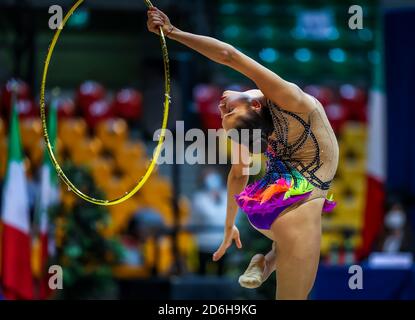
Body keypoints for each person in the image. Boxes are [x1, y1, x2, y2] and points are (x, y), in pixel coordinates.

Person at [147, 7, 339, 300]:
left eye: (225, 112)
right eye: (228, 112)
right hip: (296, 206)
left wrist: (230, 226)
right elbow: (229, 55)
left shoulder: (272, 109)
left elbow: (240, 173)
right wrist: (171, 32)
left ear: (256, 108)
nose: (221, 107)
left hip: (268, 207)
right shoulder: (286, 100)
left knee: (283, 246)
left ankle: (264, 262)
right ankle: (267, 260)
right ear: (254, 107)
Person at [190, 168, 227, 276]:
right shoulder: (199, 198)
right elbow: (208, 214)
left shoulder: (226, 195)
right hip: (204, 244)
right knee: (202, 274)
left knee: (221, 274)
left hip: (222, 244)